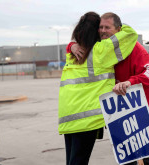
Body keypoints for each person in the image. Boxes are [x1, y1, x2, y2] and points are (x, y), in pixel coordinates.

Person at [70, 12, 149, 165]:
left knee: (148, 155)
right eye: (100, 27)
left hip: (141, 107)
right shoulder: (100, 46)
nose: (103, 31)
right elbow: (82, 44)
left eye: (107, 27)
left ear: (118, 29)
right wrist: (72, 45)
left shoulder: (134, 48)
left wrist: (130, 82)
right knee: (126, 158)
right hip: (118, 110)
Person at [58, 12, 138, 165]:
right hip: (86, 119)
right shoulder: (101, 51)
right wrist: (112, 26)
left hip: (68, 117)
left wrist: (72, 44)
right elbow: (130, 33)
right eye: (99, 28)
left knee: (72, 161)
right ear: (94, 31)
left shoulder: (72, 54)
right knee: (79, 161)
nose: (102, 30)